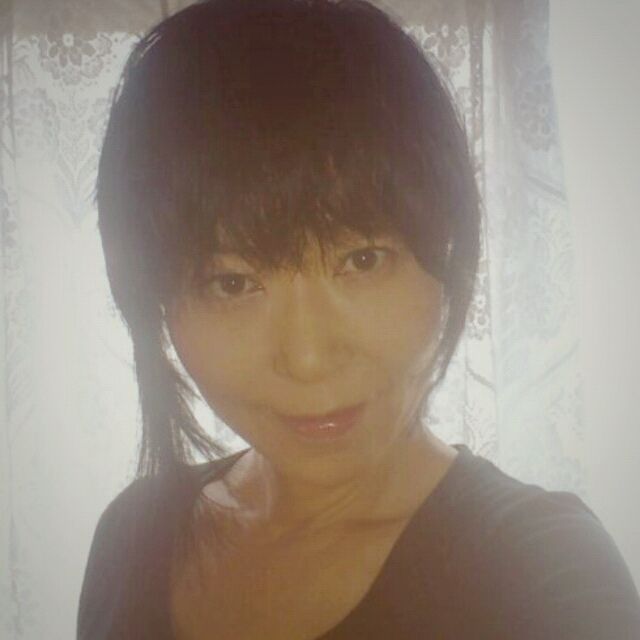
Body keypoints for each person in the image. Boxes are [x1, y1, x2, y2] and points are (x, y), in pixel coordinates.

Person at [77, 0, 640, 638]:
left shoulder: (543, 575)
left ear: (447, 253)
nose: (309, 358)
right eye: (233, 283)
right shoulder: (131, 537)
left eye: (361, 259)